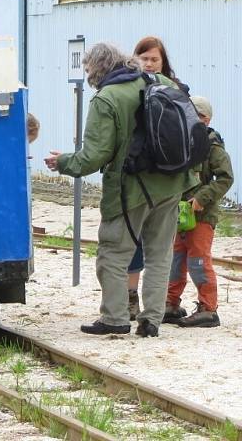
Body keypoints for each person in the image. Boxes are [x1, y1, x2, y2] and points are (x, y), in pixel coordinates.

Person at [44, 42, 196, 338]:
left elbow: (95, 155)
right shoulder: (159, 81)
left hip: (132, 188)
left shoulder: (107, 98)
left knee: (113, 253)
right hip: (172, 182)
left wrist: (61, 162)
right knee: (160, 253)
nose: (88, 76)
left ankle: (114, 318)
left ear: (98, 69)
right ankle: (151, 320)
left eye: (89, 70)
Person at [126, 36, 189, 319]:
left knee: (148, 248)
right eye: (144, 58)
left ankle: (149, 311)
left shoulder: (173, 90)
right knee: (144, 248)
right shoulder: (176, 90)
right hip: (155, 180)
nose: (149, 64)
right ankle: (137, 304)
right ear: (135, 58)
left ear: (163, 62)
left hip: (150, 180)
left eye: (154, 59)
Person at [164, 96, 233, 328]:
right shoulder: (182, 142)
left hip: (201, 215)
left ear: (207, 119)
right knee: (176, 260)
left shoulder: (213, 146)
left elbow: (226, 178)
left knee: (198, 261)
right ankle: (170, 304)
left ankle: (208, 309)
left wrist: (201, 198)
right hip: (180, 213)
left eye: (198, 116)